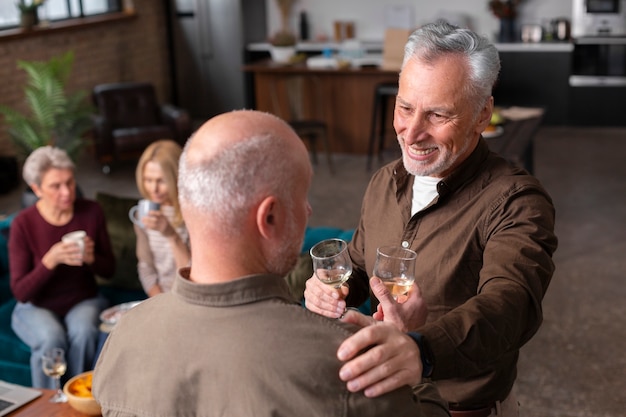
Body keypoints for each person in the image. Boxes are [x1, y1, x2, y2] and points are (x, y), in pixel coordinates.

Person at [93, 110, 449, 416]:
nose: (309, 211)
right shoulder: (345, 360)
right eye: (302, 196)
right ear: (271, 217)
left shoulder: (124, 338)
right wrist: (402, 345)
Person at [304, 21, 558, 417]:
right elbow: (356, 262)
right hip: (383, 403)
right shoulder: (384, 181)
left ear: (482, 115)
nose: (412, 132)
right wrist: (332, 290)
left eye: (438, 115)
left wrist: (420, 352)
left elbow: (511, 305)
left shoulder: (517, 201)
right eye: (405, 108)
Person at [9, 146, 115, 388]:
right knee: (51, 338)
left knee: (85, 332)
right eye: (56, 186)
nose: (67, 192)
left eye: (70, 182)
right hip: (35, 305)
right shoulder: (23, 225)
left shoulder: (91, 211)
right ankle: (50, 410)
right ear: (36, 189)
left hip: (83, 299)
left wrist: (91, 258)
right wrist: (50, 261)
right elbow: (21, 292)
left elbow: (109, 270)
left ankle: (77, 399)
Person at [133, 139, 190, 296]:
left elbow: (191, 274)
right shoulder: (142, 216)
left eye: (161, 181)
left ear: (176, 177)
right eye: (148, 180)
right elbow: (146, 267)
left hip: (189, 296)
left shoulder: (192, 214)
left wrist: (171, 235)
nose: (153, 189)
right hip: (161, 298)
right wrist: (159, 302)